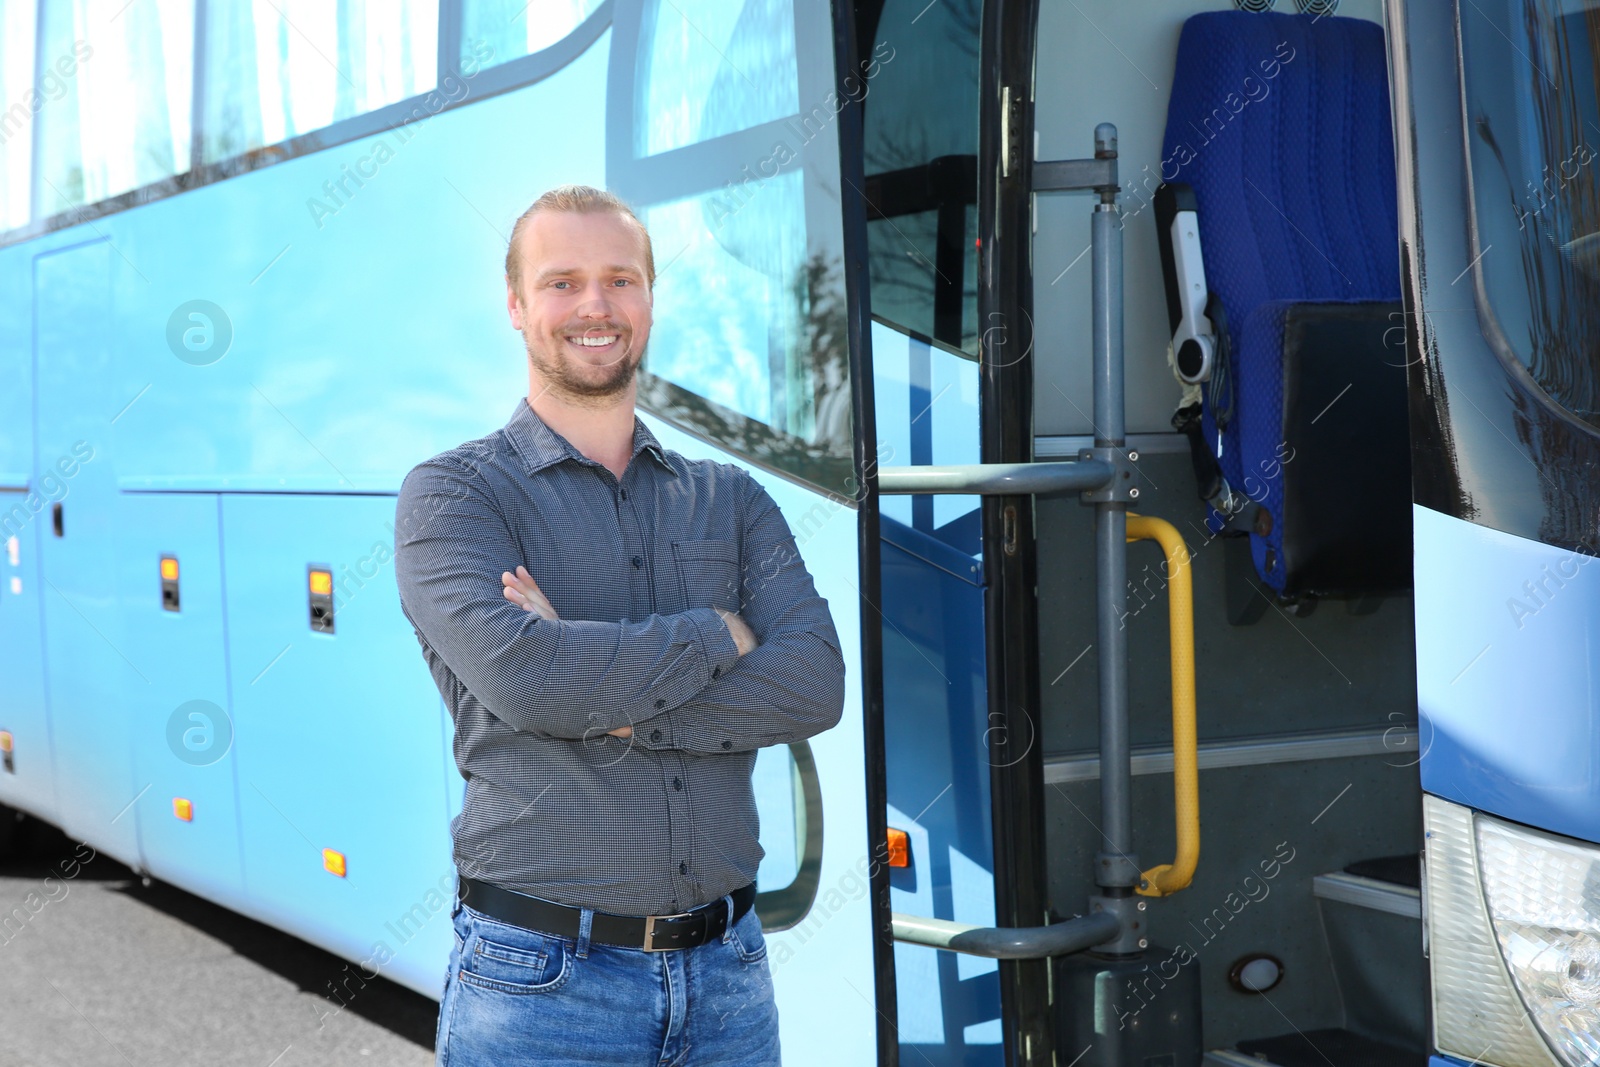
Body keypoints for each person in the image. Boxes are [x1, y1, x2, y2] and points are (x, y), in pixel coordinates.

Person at [393, 184, 846, 1066]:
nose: (595, 306)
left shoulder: (732, 497)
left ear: (648, 298)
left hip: (730, 977)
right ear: (517, 306)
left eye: (621, 280)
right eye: (562, 282)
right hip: (542, 987)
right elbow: (528, 679)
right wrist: (720, 633)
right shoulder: (454, 495)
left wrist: (602, 694)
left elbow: (815, 682)